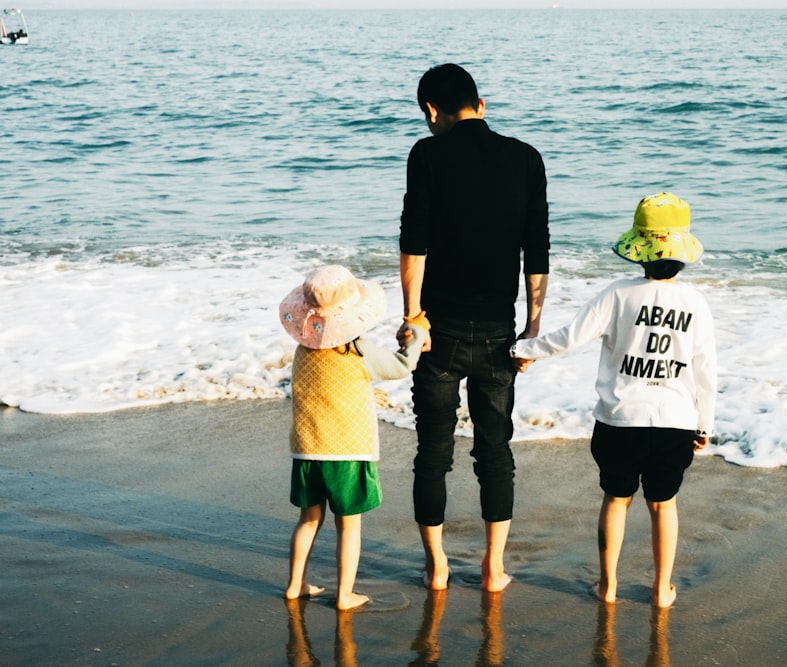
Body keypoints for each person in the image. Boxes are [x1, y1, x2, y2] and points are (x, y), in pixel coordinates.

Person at [512, 192, 717, 608]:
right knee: (663, 506)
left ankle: (608, 586)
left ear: (639, 251)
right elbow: (705, 371)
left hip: (620, 420)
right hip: (675, 421)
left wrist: (525, 349)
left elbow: (570, 338)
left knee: (617, 500)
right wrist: (704, 424)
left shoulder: (618, 294)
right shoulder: (696, 303)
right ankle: (661, 591)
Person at [398, 63, 550, 592]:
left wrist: (412, 316)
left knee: (433, 452)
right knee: (495, 451)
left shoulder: (427, 153)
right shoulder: (526, 158)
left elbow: (413, 243)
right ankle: (493, 568)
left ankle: (437, 567)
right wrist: (533, 325)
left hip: (438, 333)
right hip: (499, 334)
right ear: (481, 106)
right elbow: (537, 250)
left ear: (431, 111)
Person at [278, 265, 428, 609]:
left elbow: (320, 391)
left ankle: (295, 584)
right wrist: (417, 336)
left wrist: (364, 394)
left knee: (308, 519)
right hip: (347, 450)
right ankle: (344, 595)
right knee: (348, 527)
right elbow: (401, 367)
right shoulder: (356, 348)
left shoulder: (303, 350)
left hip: (306, 450)